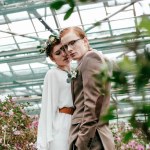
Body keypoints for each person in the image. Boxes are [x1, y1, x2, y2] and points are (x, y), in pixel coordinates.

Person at [60, 26, 115, 150]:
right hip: (90, 136)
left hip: (92, 138)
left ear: (85, 40)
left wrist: (82, 143)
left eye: (72, 43)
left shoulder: (91, 58)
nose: (69, 49)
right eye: (65, 46)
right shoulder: (85, 61)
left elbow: (94, 105)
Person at [36, 35, 74, 150]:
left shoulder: (76, 71)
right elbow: (48, 107)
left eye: (64, 48)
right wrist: (43, 142)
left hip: (77, 122)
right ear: (52, 59)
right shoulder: (52, 74)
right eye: (58, 53)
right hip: (62, 125)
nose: (64, 53)